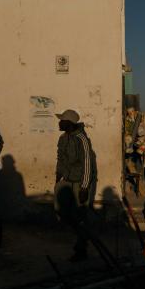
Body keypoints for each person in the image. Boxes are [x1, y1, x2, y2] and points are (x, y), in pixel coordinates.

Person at [54, 109, 97, 262]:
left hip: (80, 182)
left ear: (69, 123)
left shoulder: (82, 139)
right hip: (67, 179)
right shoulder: (62, 138)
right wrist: (58, 176)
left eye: (62, 120)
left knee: (81, 215)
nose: (59, 122)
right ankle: (83, 235)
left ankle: (81, 248)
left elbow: (87, 163)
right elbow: (60, 157)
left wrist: (85, 187)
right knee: (62, 211)